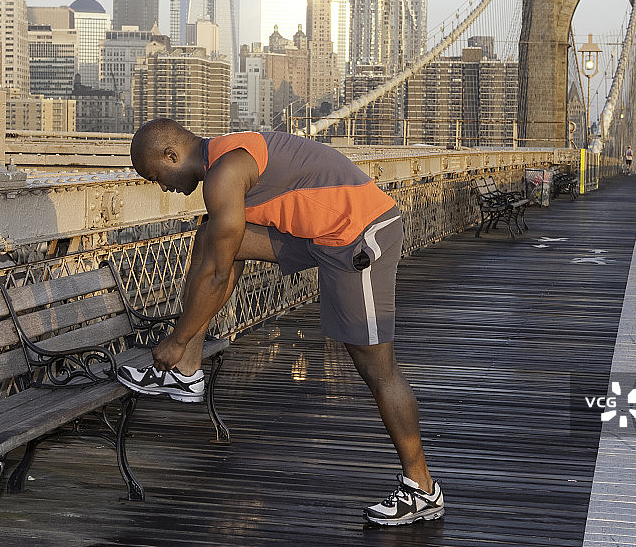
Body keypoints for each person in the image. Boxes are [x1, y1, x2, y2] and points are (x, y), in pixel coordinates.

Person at [117, 119, 444, 526]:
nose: (162, 187)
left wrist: (175, 339)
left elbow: (218, 277)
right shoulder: (223, 160)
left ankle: (422, 488)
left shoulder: (225, 173)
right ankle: (186, 371)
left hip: (359, 234)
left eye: (156, 176)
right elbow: (221, 259)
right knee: (210, 240)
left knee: (377, 369)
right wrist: (183, 342)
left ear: (171, 155)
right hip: (321, 235)